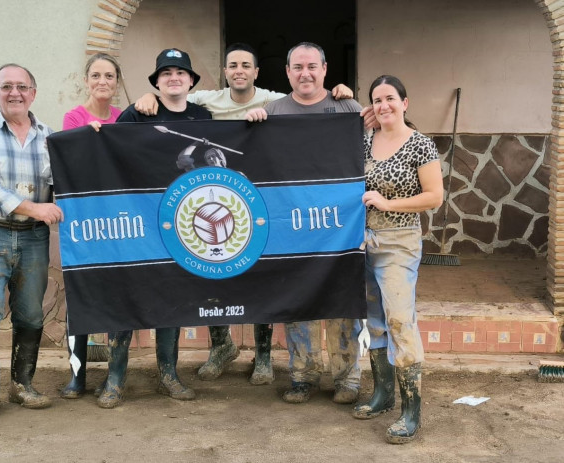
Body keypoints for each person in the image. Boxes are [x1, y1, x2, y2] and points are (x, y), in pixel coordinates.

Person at [135, 42, 355, 385]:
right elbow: (174, 96)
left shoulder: (276, 100)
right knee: (212, 270)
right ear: (224, 72)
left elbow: (313, 95)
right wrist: (145, 98)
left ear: (257, 72)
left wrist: (341, 91)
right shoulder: (207, 102)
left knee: (262, 275)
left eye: (246, 65)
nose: (239, 70)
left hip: (269, 200)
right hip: (218, 196)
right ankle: (223, 346)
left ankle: (266, 356)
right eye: (232, 65)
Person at [246, 42, 365, 405]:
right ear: (286, 73)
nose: (305, 74)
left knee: (342, 301)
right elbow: (256, 162)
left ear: (325, 69)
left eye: (312, 66)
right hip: (293, 226)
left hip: (339, 224)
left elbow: (370, 154)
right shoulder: (273, 111)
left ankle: (348, 378)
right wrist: (252, 124)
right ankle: (302, 376)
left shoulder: (348, 108)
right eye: (297, 67)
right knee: (299, 301)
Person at [96, 48, 212, 409]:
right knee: (127, 293)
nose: (173, 77)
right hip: (138, 219)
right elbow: (109, 151)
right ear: (157, 82)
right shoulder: (138, 112)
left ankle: (168, 375)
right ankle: (115, 378)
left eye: (180, 72)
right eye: (166, 73)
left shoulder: (203, 116)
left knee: (172, 297)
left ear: (191, 81)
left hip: (183, 223)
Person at [0, 63, 64, 421]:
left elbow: (63, 180)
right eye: (6, 86)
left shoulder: (50, 137)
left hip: (33, 237)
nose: (14, 93)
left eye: (22, 86)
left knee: (31, 314)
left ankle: (22, 386)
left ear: (33, 94)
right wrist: (35, 207)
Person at [352, 75, 442, 444]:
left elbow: (434, 196)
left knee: (400, 320)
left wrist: (389, 203)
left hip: (398, 240)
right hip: (362, 241)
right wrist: (355, 119)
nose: (384, 105)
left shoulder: (420, 145)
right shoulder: (363, 140)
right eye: (377, 99)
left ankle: (411, 410)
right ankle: (382, 394)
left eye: (390, 98)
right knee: (374, 320)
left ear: (405, 103)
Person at [60, 53, 123, 400]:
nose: (103, 82)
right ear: (86, 80)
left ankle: (114, 374)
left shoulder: (123, 119)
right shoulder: (74, 118)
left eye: (110, 76)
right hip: (85, 222)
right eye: (96, 75)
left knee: (117, 295)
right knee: (79, 296)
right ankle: (77, 375)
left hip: (120, 221)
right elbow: (74, 165)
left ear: (117, 82)